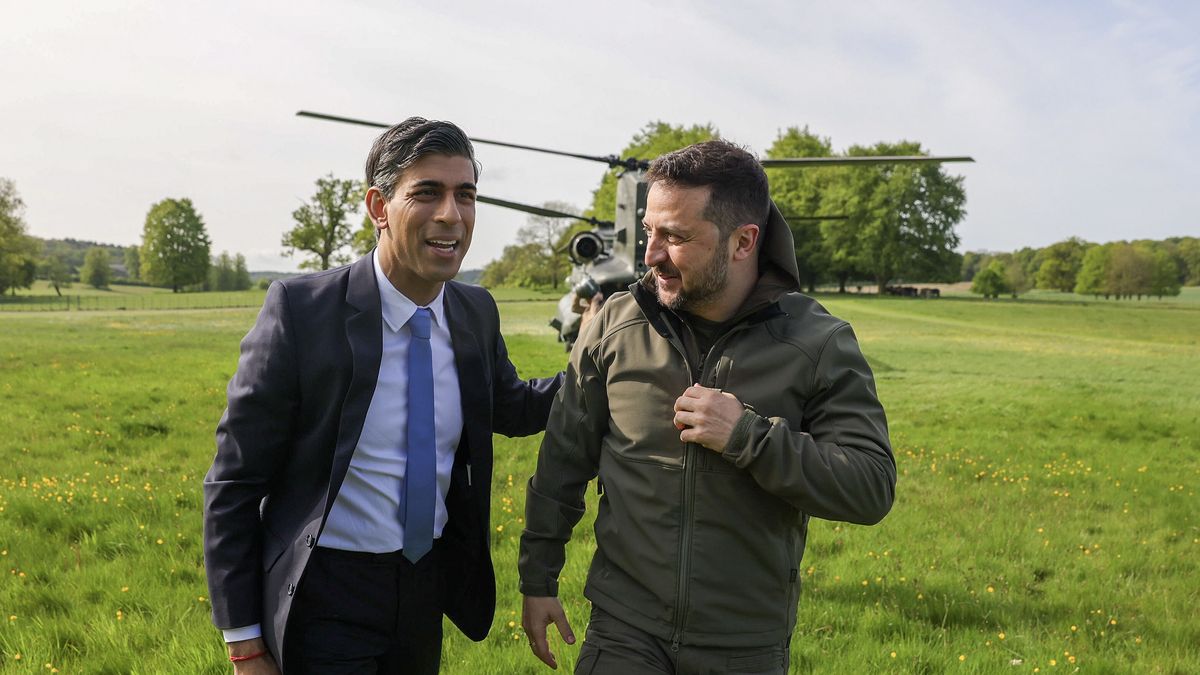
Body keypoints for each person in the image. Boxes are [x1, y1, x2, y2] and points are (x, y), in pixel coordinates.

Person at [204, 117, 566, 674]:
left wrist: (605, 373)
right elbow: (234, 481)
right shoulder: (302, 312)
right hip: (325, 593)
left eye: (465, 195)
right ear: (379, 206)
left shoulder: (474, 312)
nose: (451, 214)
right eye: (427, 193)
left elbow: (511, 405)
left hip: (425, 590)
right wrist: (246, 644)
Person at [519, 140, 896, 674]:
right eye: (649, 232)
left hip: (744, 644)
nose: (651, 255)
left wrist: (747, 437)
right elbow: (563, 459)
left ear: (743, 242)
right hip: (624, 629)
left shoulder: (818, 343)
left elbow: (870, 486)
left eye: (675, 237)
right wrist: (537, 580)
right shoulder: (614, 326)